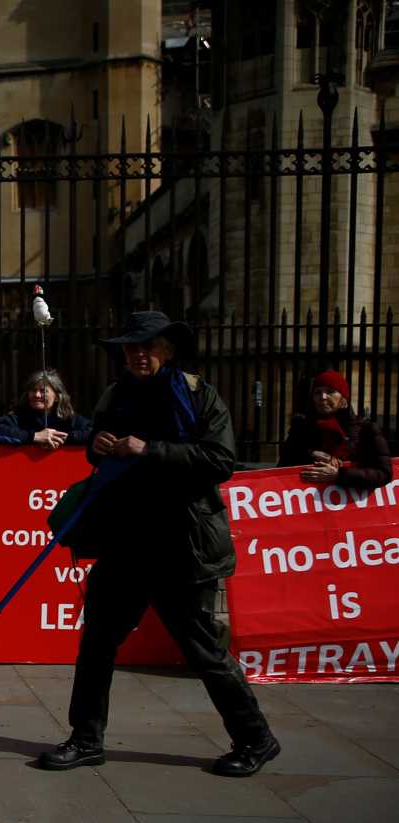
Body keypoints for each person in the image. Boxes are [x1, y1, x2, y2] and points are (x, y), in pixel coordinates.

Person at [38, 311, 279, 777]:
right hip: (125, 540)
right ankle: (86, 739)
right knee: (97, 643)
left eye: (147, 347)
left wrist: (148, 449)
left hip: (181, 542)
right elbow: (95, 448)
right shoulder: (116, 394)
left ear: (167, 350)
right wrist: (101, 445)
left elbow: (220, 459)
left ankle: (256, 738)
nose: (138, 355)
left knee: (203, 650)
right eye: (131, 348)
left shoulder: (198, 394)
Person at [276, 370, 393, 489]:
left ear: (343, 399)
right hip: (308, 502)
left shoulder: (366, 429)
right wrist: (310, 454)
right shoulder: (300, 428)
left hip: (351, 503)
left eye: (330, 392)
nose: (323, 397)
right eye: (318, 392)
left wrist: (339, 475)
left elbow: (384, 474)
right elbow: (281, 471)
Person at [0, 369, 93, 449]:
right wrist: (34, 436)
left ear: (57, 397)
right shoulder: (19, 417)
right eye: (33, 390)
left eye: (43, 391)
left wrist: (63, 438)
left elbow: (93, 432)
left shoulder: (69, 419)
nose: (37, 395)